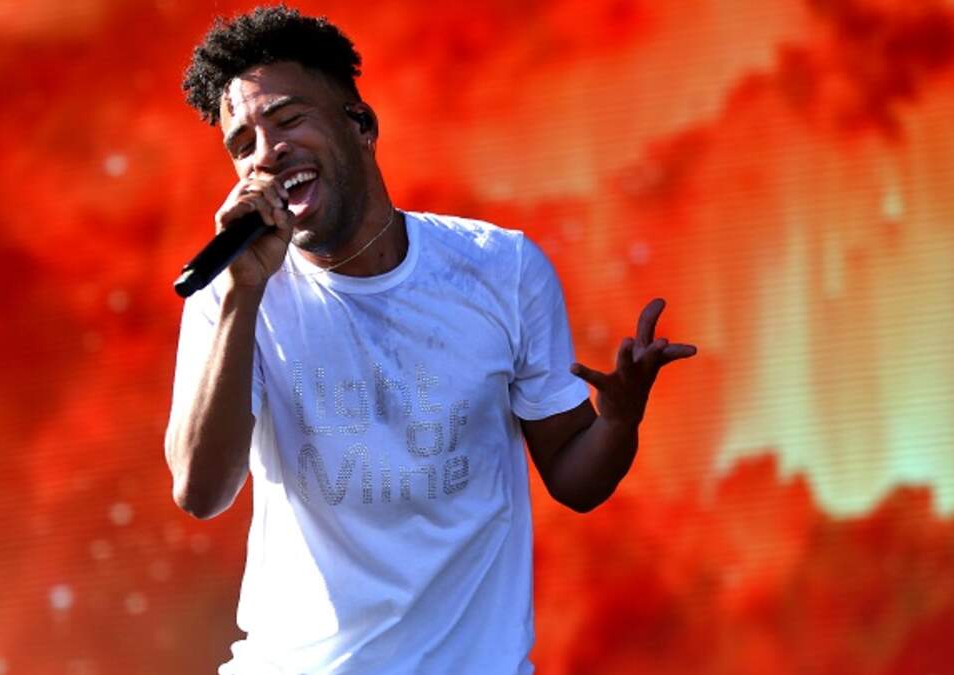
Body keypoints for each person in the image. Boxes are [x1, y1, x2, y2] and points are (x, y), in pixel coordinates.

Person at [165, 6, 697, 673]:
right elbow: (201, 492)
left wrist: (618, 422)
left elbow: (575, 477)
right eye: (243, 144)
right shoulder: (232, 293)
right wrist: (243, 293)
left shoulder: (501, 270)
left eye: (289, 119)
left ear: (361, 125)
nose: (266, 154)